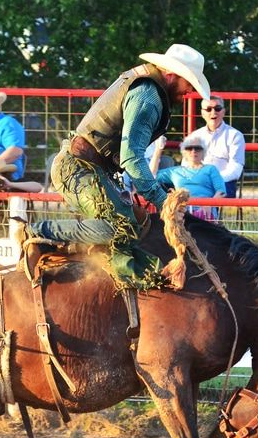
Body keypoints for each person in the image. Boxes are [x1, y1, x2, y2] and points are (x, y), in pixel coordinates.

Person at [22, 43, 211, 289]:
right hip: (78, 169)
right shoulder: (148, 97)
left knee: (138, 223)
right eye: (189, 83)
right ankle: (39, 232)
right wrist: (162, 200)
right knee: (118, 228)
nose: (189, 91)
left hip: (89, 169)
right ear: (172, 75)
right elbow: (131, 156)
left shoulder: (144, 87)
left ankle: (59, 247)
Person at [187, 95, 245, 197]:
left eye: (217, 108)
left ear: (223, 111)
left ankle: (204, 212)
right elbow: (186, 165)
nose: (213, 112)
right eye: (209, 109)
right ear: (202, 113)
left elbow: (236, 169)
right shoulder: (195, 136)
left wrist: (213, 180)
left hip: (223, 183)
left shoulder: (235, 135)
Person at [155, 136, 226, 220]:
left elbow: (221, 192)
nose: (193, 151)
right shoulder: (175, 171)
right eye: (189, 148)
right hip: (181, 209)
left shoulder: (210, 169)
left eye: (198, 148)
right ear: (184, 152)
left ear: (203, 152)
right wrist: (158, 150)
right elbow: (152, 175)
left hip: (205, 210)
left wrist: (209, 204)